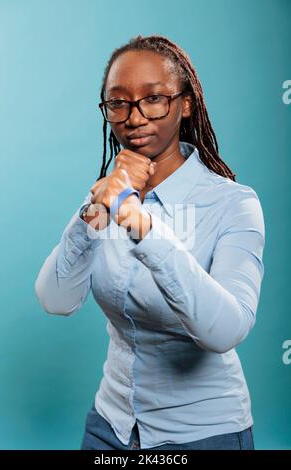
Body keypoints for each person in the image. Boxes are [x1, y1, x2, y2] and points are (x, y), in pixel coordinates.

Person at [35, 34, 265, 450]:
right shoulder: (105, 195)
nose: (134, 117)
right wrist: (94, 212)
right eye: (118, 102)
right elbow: (56, 300)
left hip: (201, 433)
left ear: (186, 103)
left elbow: (226, 330)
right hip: (111, 425)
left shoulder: (234, 204)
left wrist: (141, 225)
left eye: (154, 98)